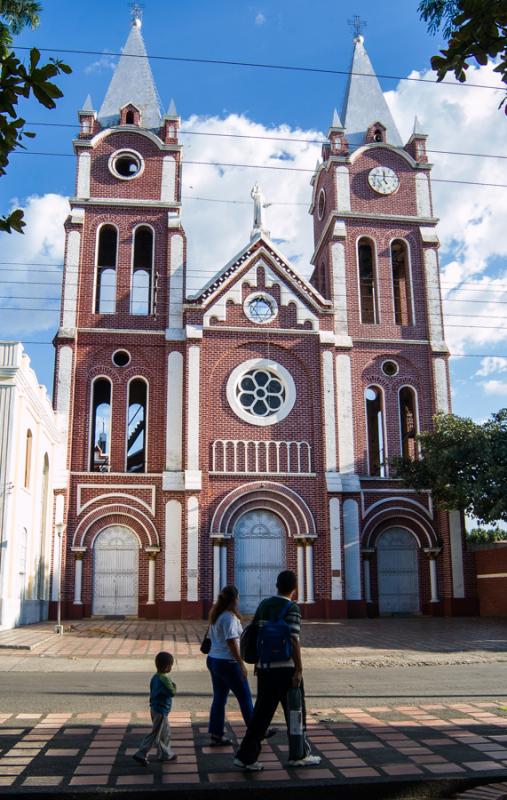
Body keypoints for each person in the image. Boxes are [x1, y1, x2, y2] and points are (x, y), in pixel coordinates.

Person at [234, 570, 321, 771]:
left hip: (265, 669)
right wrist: (299, 670)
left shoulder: (264, 605)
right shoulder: (292, 608)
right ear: (294, 588)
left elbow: (255, 634)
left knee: (261, 715)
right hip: (286, 671)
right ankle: (298, 754)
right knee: (296, 712)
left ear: (276, 585)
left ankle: (245, 757)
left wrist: (257, 663)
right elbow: (293, 639)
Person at [206, 585, 256, 746]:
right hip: (227, 662)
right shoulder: (228, 617)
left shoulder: (216, 614)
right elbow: (231, 642)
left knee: (219, 698)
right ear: (234, 599)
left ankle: (216, 734)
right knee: (245, 697)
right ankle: (257, 732)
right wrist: (240, 663)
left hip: (213, 659)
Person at [133, 651, 177, 766]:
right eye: (171, 665)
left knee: (165, 732)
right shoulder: (165, 679)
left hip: (154, 708)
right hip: (161, 710)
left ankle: (165, 754)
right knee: (156, 733)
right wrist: (174, 686)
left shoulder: (155, 677)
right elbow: (172, 692)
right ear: (167, 666)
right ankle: (142, 753)